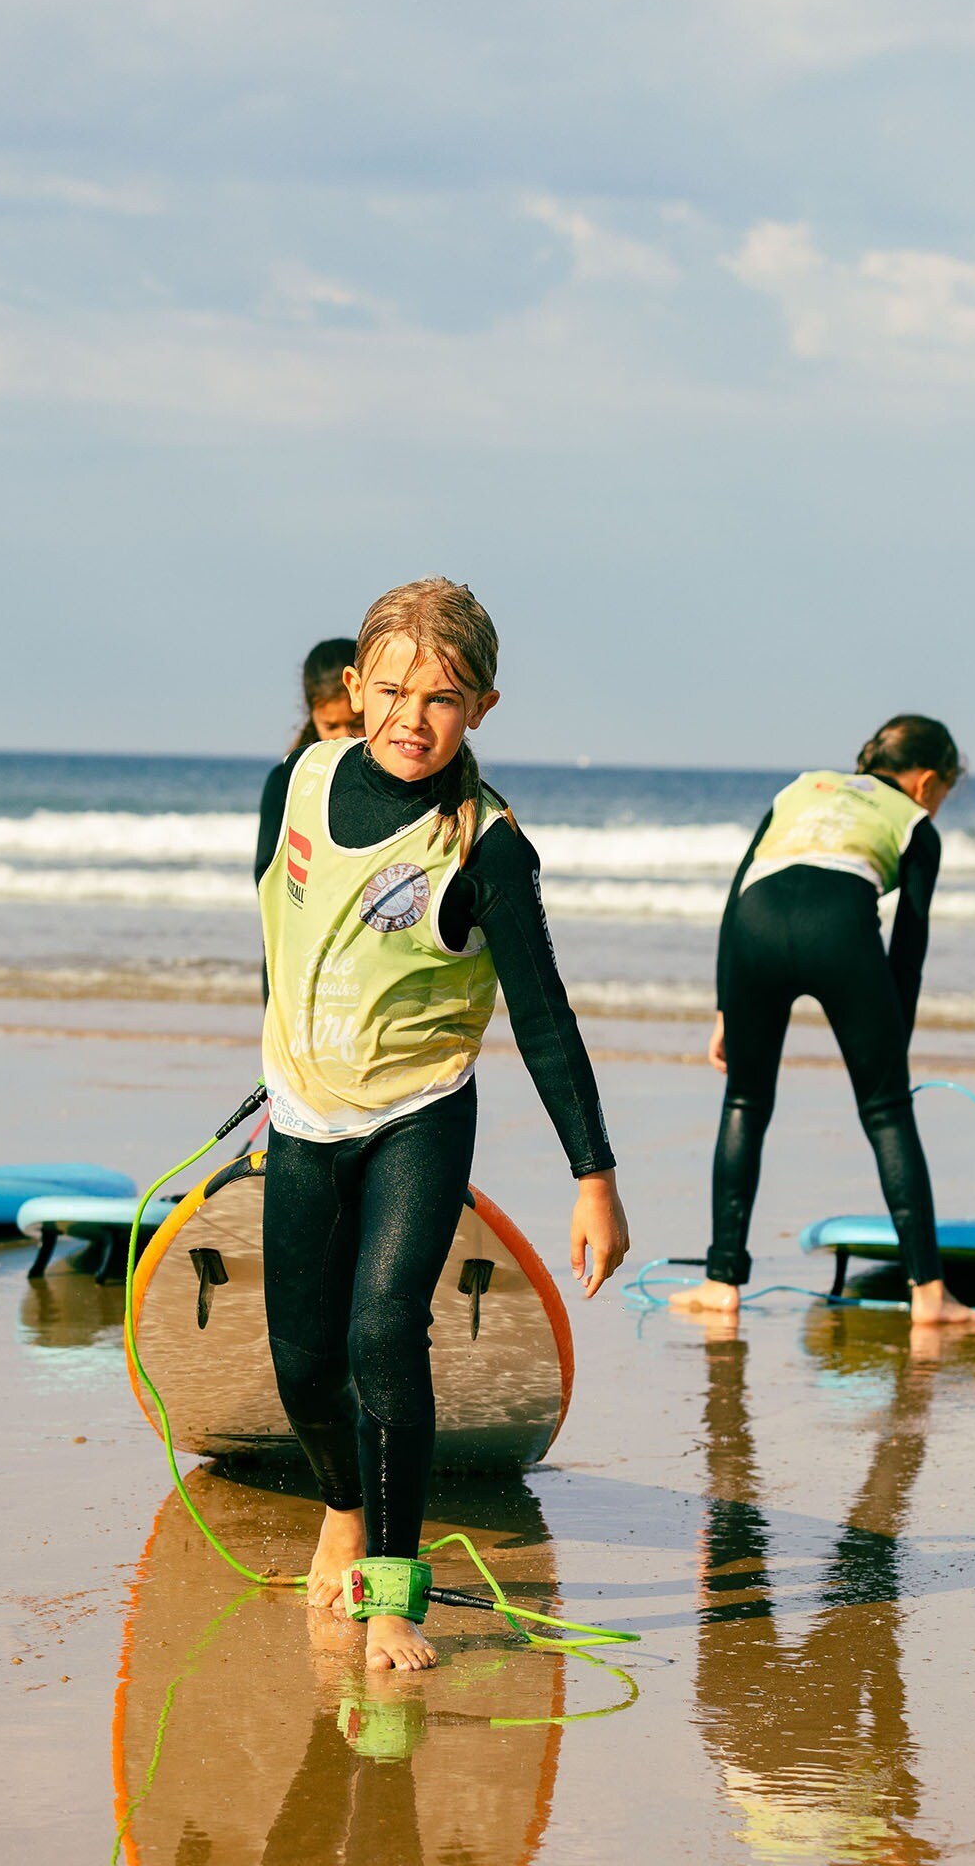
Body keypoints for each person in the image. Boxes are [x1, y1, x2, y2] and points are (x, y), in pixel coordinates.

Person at [257, 578, 629, 1672]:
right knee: (298, 1360)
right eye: (392, 689)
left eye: (445, 697)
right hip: (300, 1112)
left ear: (484, 707)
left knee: (382, 1331)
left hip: (418, 1113)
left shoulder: (487, 847)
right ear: (352, 688)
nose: (413, 716)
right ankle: (340, 1504)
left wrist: (593, 1175)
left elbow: (547, 1019)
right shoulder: (300, 779)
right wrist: (280, 1056)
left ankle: (393, 1595)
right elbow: (282, 922)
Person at [669, 718, 975, 1331]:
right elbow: (909, 947)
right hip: (838, 931)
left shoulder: (802, 788)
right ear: (925, 782)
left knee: (744, 1102)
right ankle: (929, 1296)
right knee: (887, 1111)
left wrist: (723, 1009)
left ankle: (721, 1281)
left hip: (753, 929)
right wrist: (896, 1044)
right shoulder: (917, 824)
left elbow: (739, 887)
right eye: (945, 791)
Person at [250, 636, 363, 890]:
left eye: (357, 722)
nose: (345, 736)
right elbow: (267, 874)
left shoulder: (394, 779)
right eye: (331, 726)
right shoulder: (286, 781)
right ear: (311, 713)